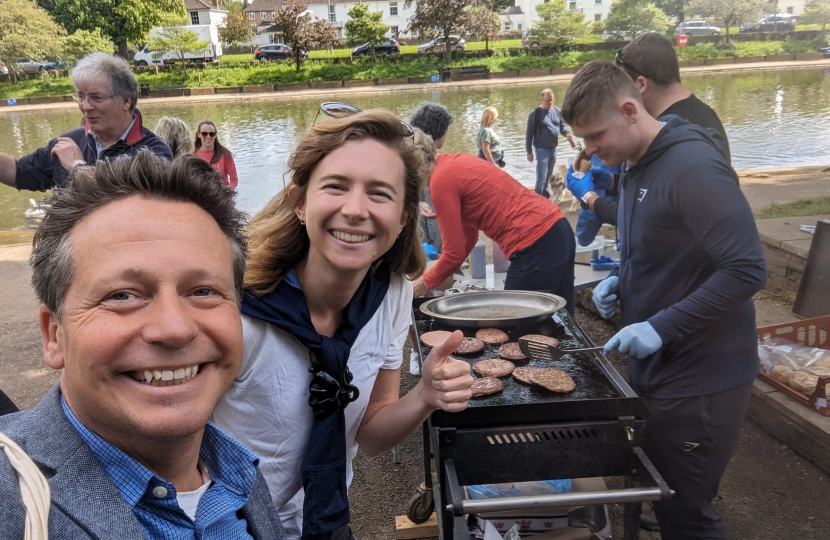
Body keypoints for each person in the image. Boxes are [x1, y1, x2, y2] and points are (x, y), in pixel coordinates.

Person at [211, 108, 473, 540]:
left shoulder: (391, 296)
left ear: (405, 217)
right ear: (300, 203)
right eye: (336, 187)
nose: (355, 210)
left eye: (379, 193)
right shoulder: (237, 309)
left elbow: (369, 436)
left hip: (327, 520)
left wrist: (425, 396)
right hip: (232, 527)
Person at [0, 151, 285, 539]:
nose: (174, 328)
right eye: (122, 295)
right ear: (54, 335)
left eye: (203, 291)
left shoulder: (239, 471)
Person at [561, 61, 767, 540]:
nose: (589, 152)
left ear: (630, 110)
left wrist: (660, 326)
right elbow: (664, 248)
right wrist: (624, 283)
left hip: (702, 379)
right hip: (661, 372)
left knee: (687, 515)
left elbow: (746, 269)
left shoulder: (693, 167)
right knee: (659, 493)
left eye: (594, 136)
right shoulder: (634, 165)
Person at [568, 33, 731, 228]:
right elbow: (658, 195)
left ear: (640, 85)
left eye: (623, 85)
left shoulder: (677, 136)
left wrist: (589, 198)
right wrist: (613, 182)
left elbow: (642, 218)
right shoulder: (702, 114)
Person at [410, 136, 576, 313]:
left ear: (416, 165)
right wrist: (441, 274)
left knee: (515, 325)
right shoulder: (456, 161)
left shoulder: (439, 181)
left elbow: (453, 254)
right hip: (558, 227)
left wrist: (423, 283)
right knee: (563, 320)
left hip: (534, 244)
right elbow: (469, 237)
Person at [0, 52, 172, 192]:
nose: (85, 106)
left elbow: (125, 203)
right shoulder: (69, 142)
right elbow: (19, 173)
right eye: (81, 97)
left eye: (96, 98)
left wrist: (77, 166)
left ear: (126, 101)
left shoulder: (155, 153)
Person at [410, 102, 454, 254]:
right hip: (434, 238)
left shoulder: (407, 158)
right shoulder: (444, 166)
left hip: (415, 241)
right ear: (442, 131)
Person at [526, 88, 575, 198]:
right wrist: (529, 152)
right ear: (541, 100)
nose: (550, 103)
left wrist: (566, 134)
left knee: (549, 176)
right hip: (541, 149)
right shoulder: (535, 114)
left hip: (553, 149)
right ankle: (538, 199)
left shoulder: (557, 111)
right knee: (541, 177)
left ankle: (546, 195)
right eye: (547, 101)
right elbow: (529, 134)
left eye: (552, 100)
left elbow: (561, 126)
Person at [195, 120, 239, 188]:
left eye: (211, 134)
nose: (208, 137)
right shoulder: (193, 155)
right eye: (204, 134)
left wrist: (227, 191)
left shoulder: (225, 154)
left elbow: (234, 179)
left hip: (222, 196)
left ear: (215, 134)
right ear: (198, 134)